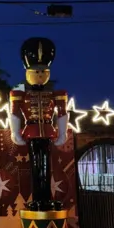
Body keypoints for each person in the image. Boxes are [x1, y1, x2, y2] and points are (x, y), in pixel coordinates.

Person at [8, 37, 69, 211]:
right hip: (32, 131)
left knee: (47, 167)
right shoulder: (18, 94)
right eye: (36, 71)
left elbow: (62, 113)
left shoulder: (56, 93)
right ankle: (37, 199)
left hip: (48, 130)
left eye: (43, 71)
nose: (40, 74)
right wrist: (15, 132)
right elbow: (14, 113)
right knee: (36, 168)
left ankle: (47, 199)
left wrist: (62, 132)